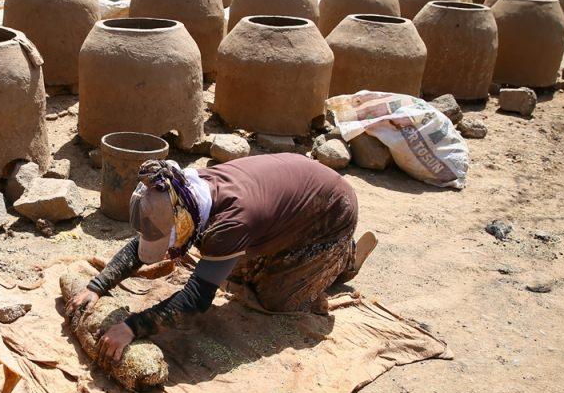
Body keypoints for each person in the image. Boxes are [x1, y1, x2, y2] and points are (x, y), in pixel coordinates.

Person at [65, 154, 377, 364]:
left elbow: (197, 299)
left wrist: (133, 327)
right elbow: (143, 243)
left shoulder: (229, 223)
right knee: (236, 274)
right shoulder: (182, 191)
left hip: (329, 210)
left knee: (277, 301)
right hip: (287, 201)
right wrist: (97, 285)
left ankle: (340, 258)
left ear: (184, 220)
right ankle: (294, 256)